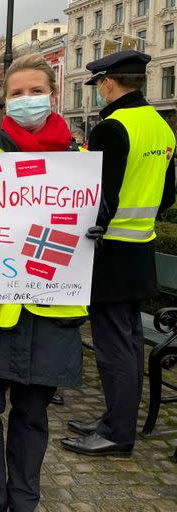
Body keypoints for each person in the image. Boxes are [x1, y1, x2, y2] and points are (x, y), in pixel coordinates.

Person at [0, 54, 90, 511]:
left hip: (51, 312)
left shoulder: (83, 165)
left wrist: (95, 226)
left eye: (35, 91)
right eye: (16, 93)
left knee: (33, 416)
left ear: (53, 94)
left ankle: (25, 500)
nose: (26, 100)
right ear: (3, 101)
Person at [62, 50, 176, 457]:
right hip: (140, 247)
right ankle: (115, 419)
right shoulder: (162, 128)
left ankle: (117, 433)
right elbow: (167, 196)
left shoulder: (111, 127)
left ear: (108, 83)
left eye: (98, 85)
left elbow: (100, 196)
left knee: (114, 348)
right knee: (128, 342)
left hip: (109, 254)